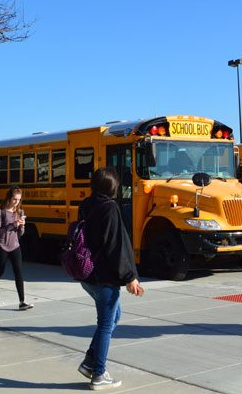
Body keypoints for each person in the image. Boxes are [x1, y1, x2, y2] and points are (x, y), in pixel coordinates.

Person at [78, 167, 144, 390]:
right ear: (113, 187)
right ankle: (98, 374)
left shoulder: (85, 205)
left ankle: (89, 362)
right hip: (104, 277)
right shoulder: (111, 208)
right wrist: (130, 277)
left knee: (114, 317)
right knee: (106, 325)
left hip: (87, 273)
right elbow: (118, 247)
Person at [0, 186, 33, 310]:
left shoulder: (20, 212)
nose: (16, 202)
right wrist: (12, 224)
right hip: (1, 246)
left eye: (19, 200)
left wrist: (22, 226)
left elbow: (20, 234)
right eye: (14, 199)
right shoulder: (1, 212)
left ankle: (22, 301)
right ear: (9, 197)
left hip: (15, 246)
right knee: (0, 271)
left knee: (18, 272)